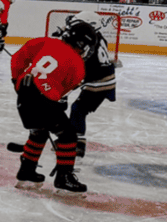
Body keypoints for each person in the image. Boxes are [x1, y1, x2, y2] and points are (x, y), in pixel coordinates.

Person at [10, 30, 87, 192]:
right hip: (44, 99)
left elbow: (17, 58)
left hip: (24, 92)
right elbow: (64, 92)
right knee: (68, 135)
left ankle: (26, 170)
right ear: (80, 45)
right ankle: (63, 177)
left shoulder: (46, 42)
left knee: (39, 131)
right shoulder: (78, 63)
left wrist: (17, 81)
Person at [50, 10, 116, 160]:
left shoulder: (87, 42)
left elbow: (80, 70)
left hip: (99, 82)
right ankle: (73, 140)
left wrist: (63, 93)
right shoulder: (95, 37)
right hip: (99, 79)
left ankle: (77, 144)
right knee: (78, 109)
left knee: (78, 109)